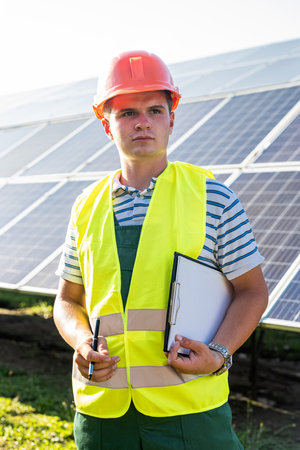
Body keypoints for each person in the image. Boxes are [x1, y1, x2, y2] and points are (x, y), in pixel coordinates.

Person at [54, 50, 268, 450]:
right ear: (106, 125)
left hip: (189, 409)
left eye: (154, 110)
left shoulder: (214, 198)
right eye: (126, 113)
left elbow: (252, 291)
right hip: (103, 412)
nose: (142, 123)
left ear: (171, 118)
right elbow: (68, 300)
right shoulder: (85, 206)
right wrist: (82, 343)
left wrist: (219, 353)